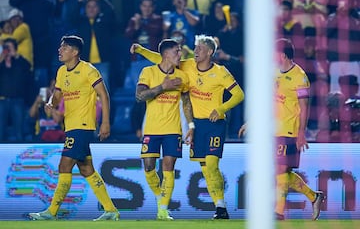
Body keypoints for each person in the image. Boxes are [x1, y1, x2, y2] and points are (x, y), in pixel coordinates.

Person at [131, 34, 245, 219]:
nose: (194, 51)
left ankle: (221, 206)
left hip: (215, 123)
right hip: (197, 125)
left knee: (212, 164)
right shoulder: (187, 66)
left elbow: (239, 94)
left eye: (199, 48)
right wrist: (141, 49)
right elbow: (161, 58)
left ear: (209, 51)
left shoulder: (221, 72)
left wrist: (221, 108)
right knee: (205, 167)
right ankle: (219, 207)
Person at [28, 35, 119, 221]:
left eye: (64, 48)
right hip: (70, 125)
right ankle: (111, 210)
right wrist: (51, 102)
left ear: (75, 52)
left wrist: (106, 122)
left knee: (64, 165)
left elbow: (104, 95)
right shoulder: (61, 71)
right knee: (86, 169)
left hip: (83, 125)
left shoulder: (88, 70)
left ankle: (51, 212)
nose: (59, 50)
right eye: (60, 47)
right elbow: (58, 94)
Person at [240, 38, 324, 220]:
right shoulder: (274, 73)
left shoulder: (299, 77)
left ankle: (278, 212)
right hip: (274, 129)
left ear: (282, 55)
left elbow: (304, 107)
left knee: (280, 169)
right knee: (282, 171)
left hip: (289, 130)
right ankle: (314, 196)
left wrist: (301, 133)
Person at [136, 39, 194, 220]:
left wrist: (191, 126)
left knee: (168, 167)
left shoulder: (182, 77)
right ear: (166, 54)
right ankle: (160, 197)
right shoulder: (148, 72)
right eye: (176, 52)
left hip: (173, 129)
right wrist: (163, 87)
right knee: (149, 167)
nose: (180, 55)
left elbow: (186, 103)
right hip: (152, 128)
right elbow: (139, 96)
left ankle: (162, 209)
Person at [0, 37, 32, 142]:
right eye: (6, 47)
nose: (7, 49)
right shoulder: (1, 63)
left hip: (17, 100)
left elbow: (28, 67)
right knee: (0, 131)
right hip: (2, 100)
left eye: (9, 47)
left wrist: (15, 55)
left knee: (19, 131)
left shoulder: (19, 62)